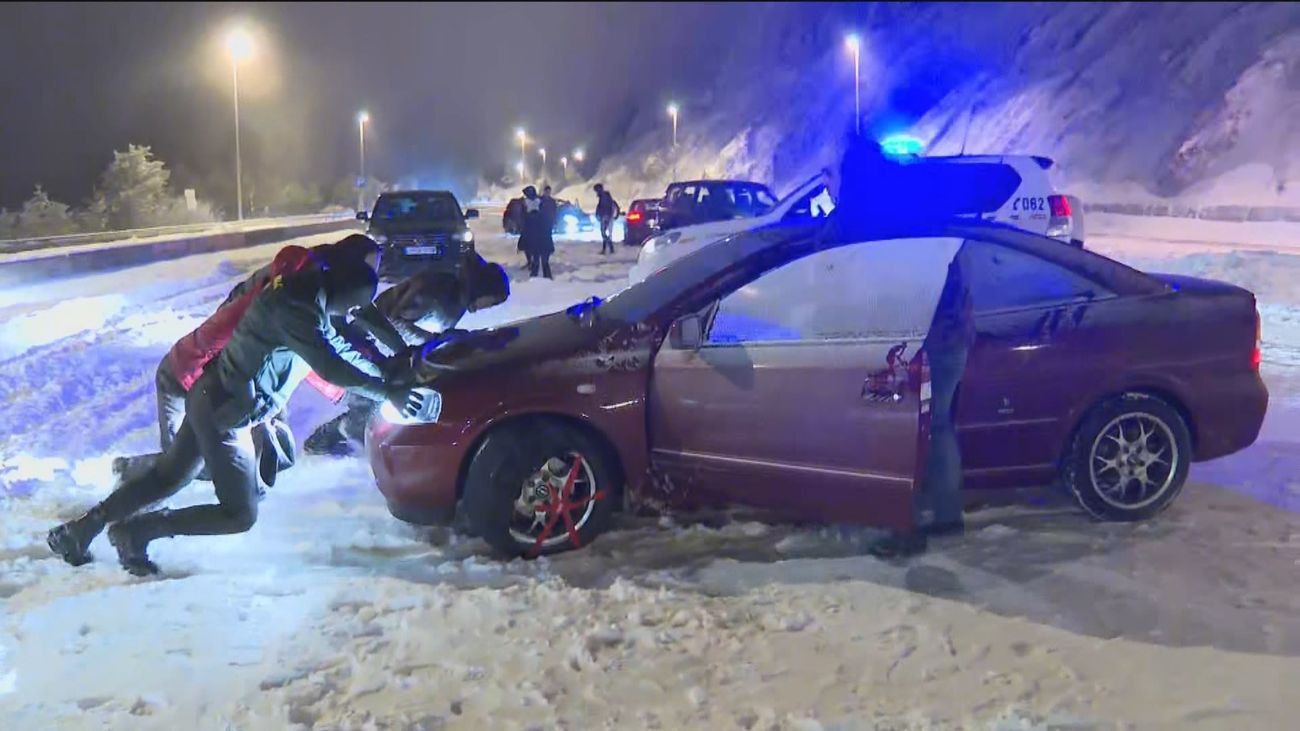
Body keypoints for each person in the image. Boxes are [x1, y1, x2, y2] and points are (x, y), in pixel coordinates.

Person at [47, 249, 426, 576]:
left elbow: (337, 347)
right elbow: (330, 366)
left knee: (168, 476)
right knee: (239, 514)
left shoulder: (307, 296)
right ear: (345, 291)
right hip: (226, 413)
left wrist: (385, 369)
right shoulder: (298, 309)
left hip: (213, 397)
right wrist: (386, 389)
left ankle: (82, 530)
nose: (358, 312)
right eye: (358, 303)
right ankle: (137, 532)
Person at [110, 235, 382, 484]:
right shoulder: (293, 294)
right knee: (184, 467)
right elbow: (315, 352)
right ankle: (126, 479)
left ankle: (247, 473)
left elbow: (331, 341)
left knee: (236, 459)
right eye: (369, 271)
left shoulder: (309, 287)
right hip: (188, 378)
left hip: (230, 377)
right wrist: (356, 387)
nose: (372, 279)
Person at [829, 132, 974, 558]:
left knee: (892, 432)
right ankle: (947, 518)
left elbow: (833, 265)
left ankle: (902, 525)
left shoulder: (860, 212)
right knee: (939, 425)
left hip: (901, 341)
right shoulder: (916, 201)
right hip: (949, 334)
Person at [303, 253, 511, 455]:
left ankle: (339, 434)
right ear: (484, 288)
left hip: (376, 346)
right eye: (491, 301)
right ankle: (335, 437)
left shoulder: (454, 295)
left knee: (372, 400)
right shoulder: (441, 294)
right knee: (367, 402)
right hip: (362, 344)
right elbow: (394, 320)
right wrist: (428, 343)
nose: (487, 308)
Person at [519, 185, 554, 279]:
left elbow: (523, 221)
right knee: (541, 260)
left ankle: (537, 277)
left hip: (537, 236)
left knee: (538, 259)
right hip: (541, 235)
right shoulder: (541, 203)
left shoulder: (536, 204)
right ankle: (544, 277)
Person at [594, 183, 620, 254]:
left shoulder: (604, 196)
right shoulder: (604, 196)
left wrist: (601, 214)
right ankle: (608, 248)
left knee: (604, 233)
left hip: (606, 216)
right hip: (607, 216)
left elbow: (604, 207)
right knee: (605, 233)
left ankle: (608, 248)